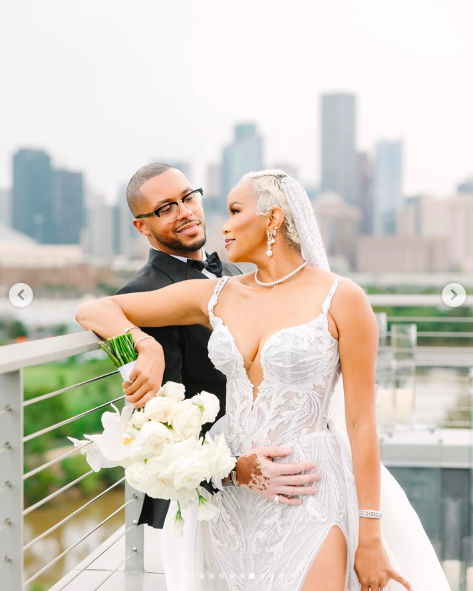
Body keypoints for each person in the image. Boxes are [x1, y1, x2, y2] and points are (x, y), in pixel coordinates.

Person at [76, 170, 449, 590]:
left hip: (308, 489)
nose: (220, 223)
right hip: (231, 493)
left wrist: (371, 534)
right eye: (167, 207)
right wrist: (144, 345)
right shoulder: (215, 295)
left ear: (272, 220)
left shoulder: (342, 298)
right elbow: (97, 314)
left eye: (234, 211)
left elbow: (362, 423)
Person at [114, 163, 320, 533]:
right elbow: (162, 421)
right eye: (166, 208)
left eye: (188, 197)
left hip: (269, 463)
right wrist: (234, 470)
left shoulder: (229, 271)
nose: (185, 212)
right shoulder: (143, 294)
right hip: (213, 492)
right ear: (141, 226)